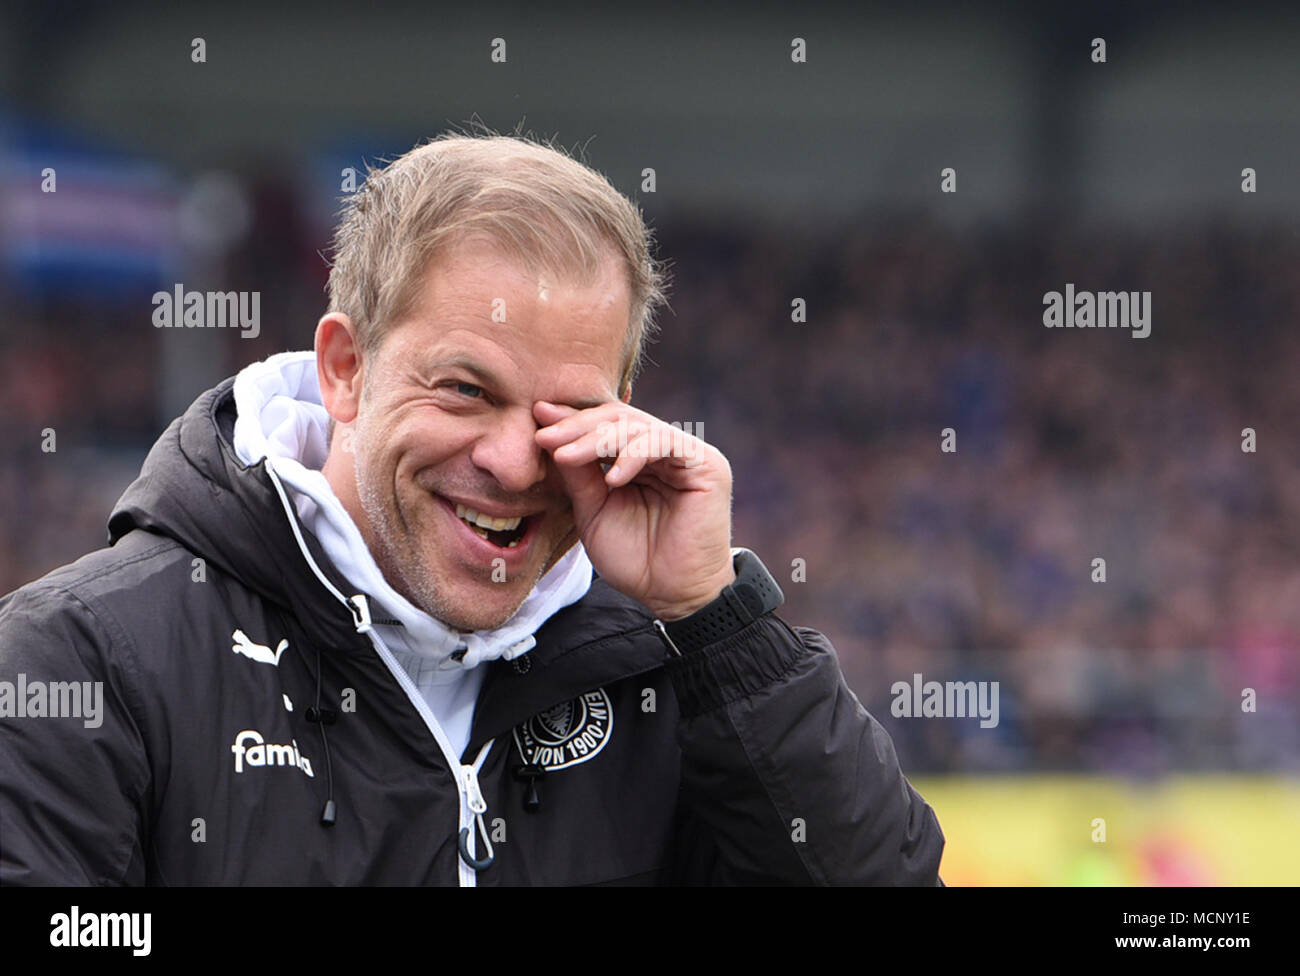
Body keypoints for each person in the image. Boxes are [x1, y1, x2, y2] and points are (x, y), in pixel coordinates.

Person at [0, 132, 944, 885]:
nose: (510, 460)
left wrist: (717, 621)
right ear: (345, 369)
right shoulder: (83, 659)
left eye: (565, 414)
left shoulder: (664, 666)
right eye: (463, 390)